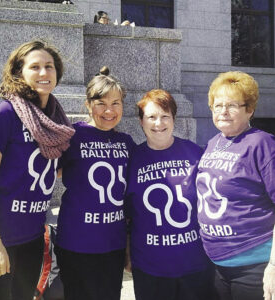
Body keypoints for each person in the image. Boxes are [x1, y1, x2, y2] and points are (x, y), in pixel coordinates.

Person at [0, 40, 75, 300]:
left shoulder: (57, 121)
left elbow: (61, 169)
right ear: (19, 73)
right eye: (35, 67)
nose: (44, 73)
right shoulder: (4, 114)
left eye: (49, 66)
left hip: (30, 240)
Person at [54, 66, 135, 300]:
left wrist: (129, 244)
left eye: (116, 103)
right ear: (88, 104)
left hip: (113, 244)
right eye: (101, 103)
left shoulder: (126, 142)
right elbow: (44, 171)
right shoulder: (72, 135)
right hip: (76, 242)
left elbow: (131, 197)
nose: (109, 110)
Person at [125, 89, 214, 300]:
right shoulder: (132, 160)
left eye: (165, 116)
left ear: (173, 119)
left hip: (195, 264)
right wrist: (127, 253)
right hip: (150, 266)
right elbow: (127, 214)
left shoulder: (194, 153)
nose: (159, 123)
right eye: (151, 117)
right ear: (141, 121)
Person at [196, 71, 275, 300]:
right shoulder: (214, 143)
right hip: (215, 265)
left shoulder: (262, 144)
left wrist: (273, 266)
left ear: (249, 109)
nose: (223, 111)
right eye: (217, 105)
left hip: (253, 267)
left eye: (232, 105)